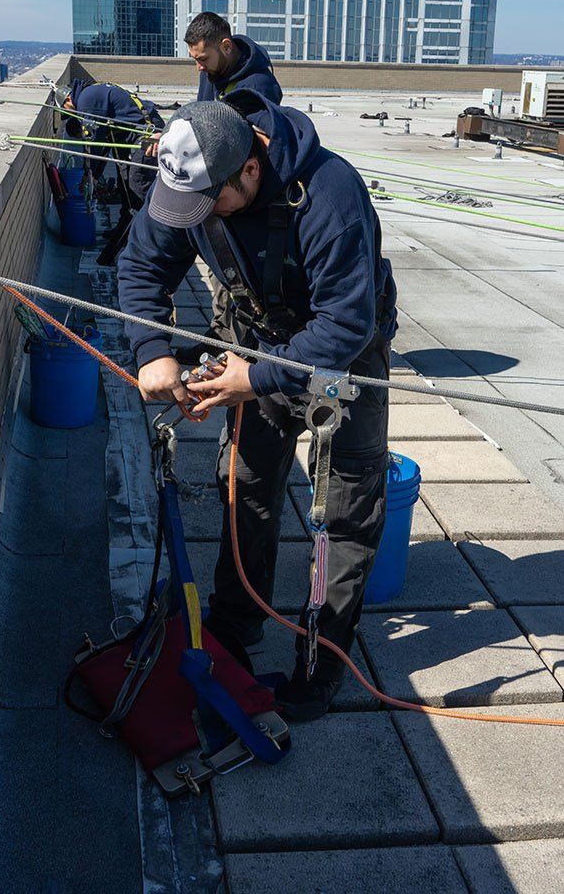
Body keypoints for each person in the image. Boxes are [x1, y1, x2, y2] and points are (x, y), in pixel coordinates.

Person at [117, 90, 397, 722]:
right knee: (245, 484)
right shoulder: (192, 179)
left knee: (344, 510)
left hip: (343, 356)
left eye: (207, 204)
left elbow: (346, 324)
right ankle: (238, 621)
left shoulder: (330, 195)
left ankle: (322, 660)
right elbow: (141, 267)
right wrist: (151, 349)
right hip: (258, 336)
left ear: (250, 167)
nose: (193, 216)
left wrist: (258, 376)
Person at [176, 13, 283, 358]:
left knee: (232, 267)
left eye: (202, 59)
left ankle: (233, 345)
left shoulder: (258, 87)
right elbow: (202, 114)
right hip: (215, 182)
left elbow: (239, 143)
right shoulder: (215, 70)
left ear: (225, 46)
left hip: (237, 190)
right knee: (220, 266)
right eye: (193, 60)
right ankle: (223, 335)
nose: (198, 68)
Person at [55, 79, 164, 207]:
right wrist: (94, 174)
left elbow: (95, 143)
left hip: (149, 135)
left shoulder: (86, 101)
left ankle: (151, 223)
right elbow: (104, 146)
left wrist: (89, 173)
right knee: (124, 181)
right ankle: (126, 225)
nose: (70, 114)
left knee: (137, 182)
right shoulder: (90, 94)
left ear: (67, 99)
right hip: (134, 135)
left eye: (65, 110)